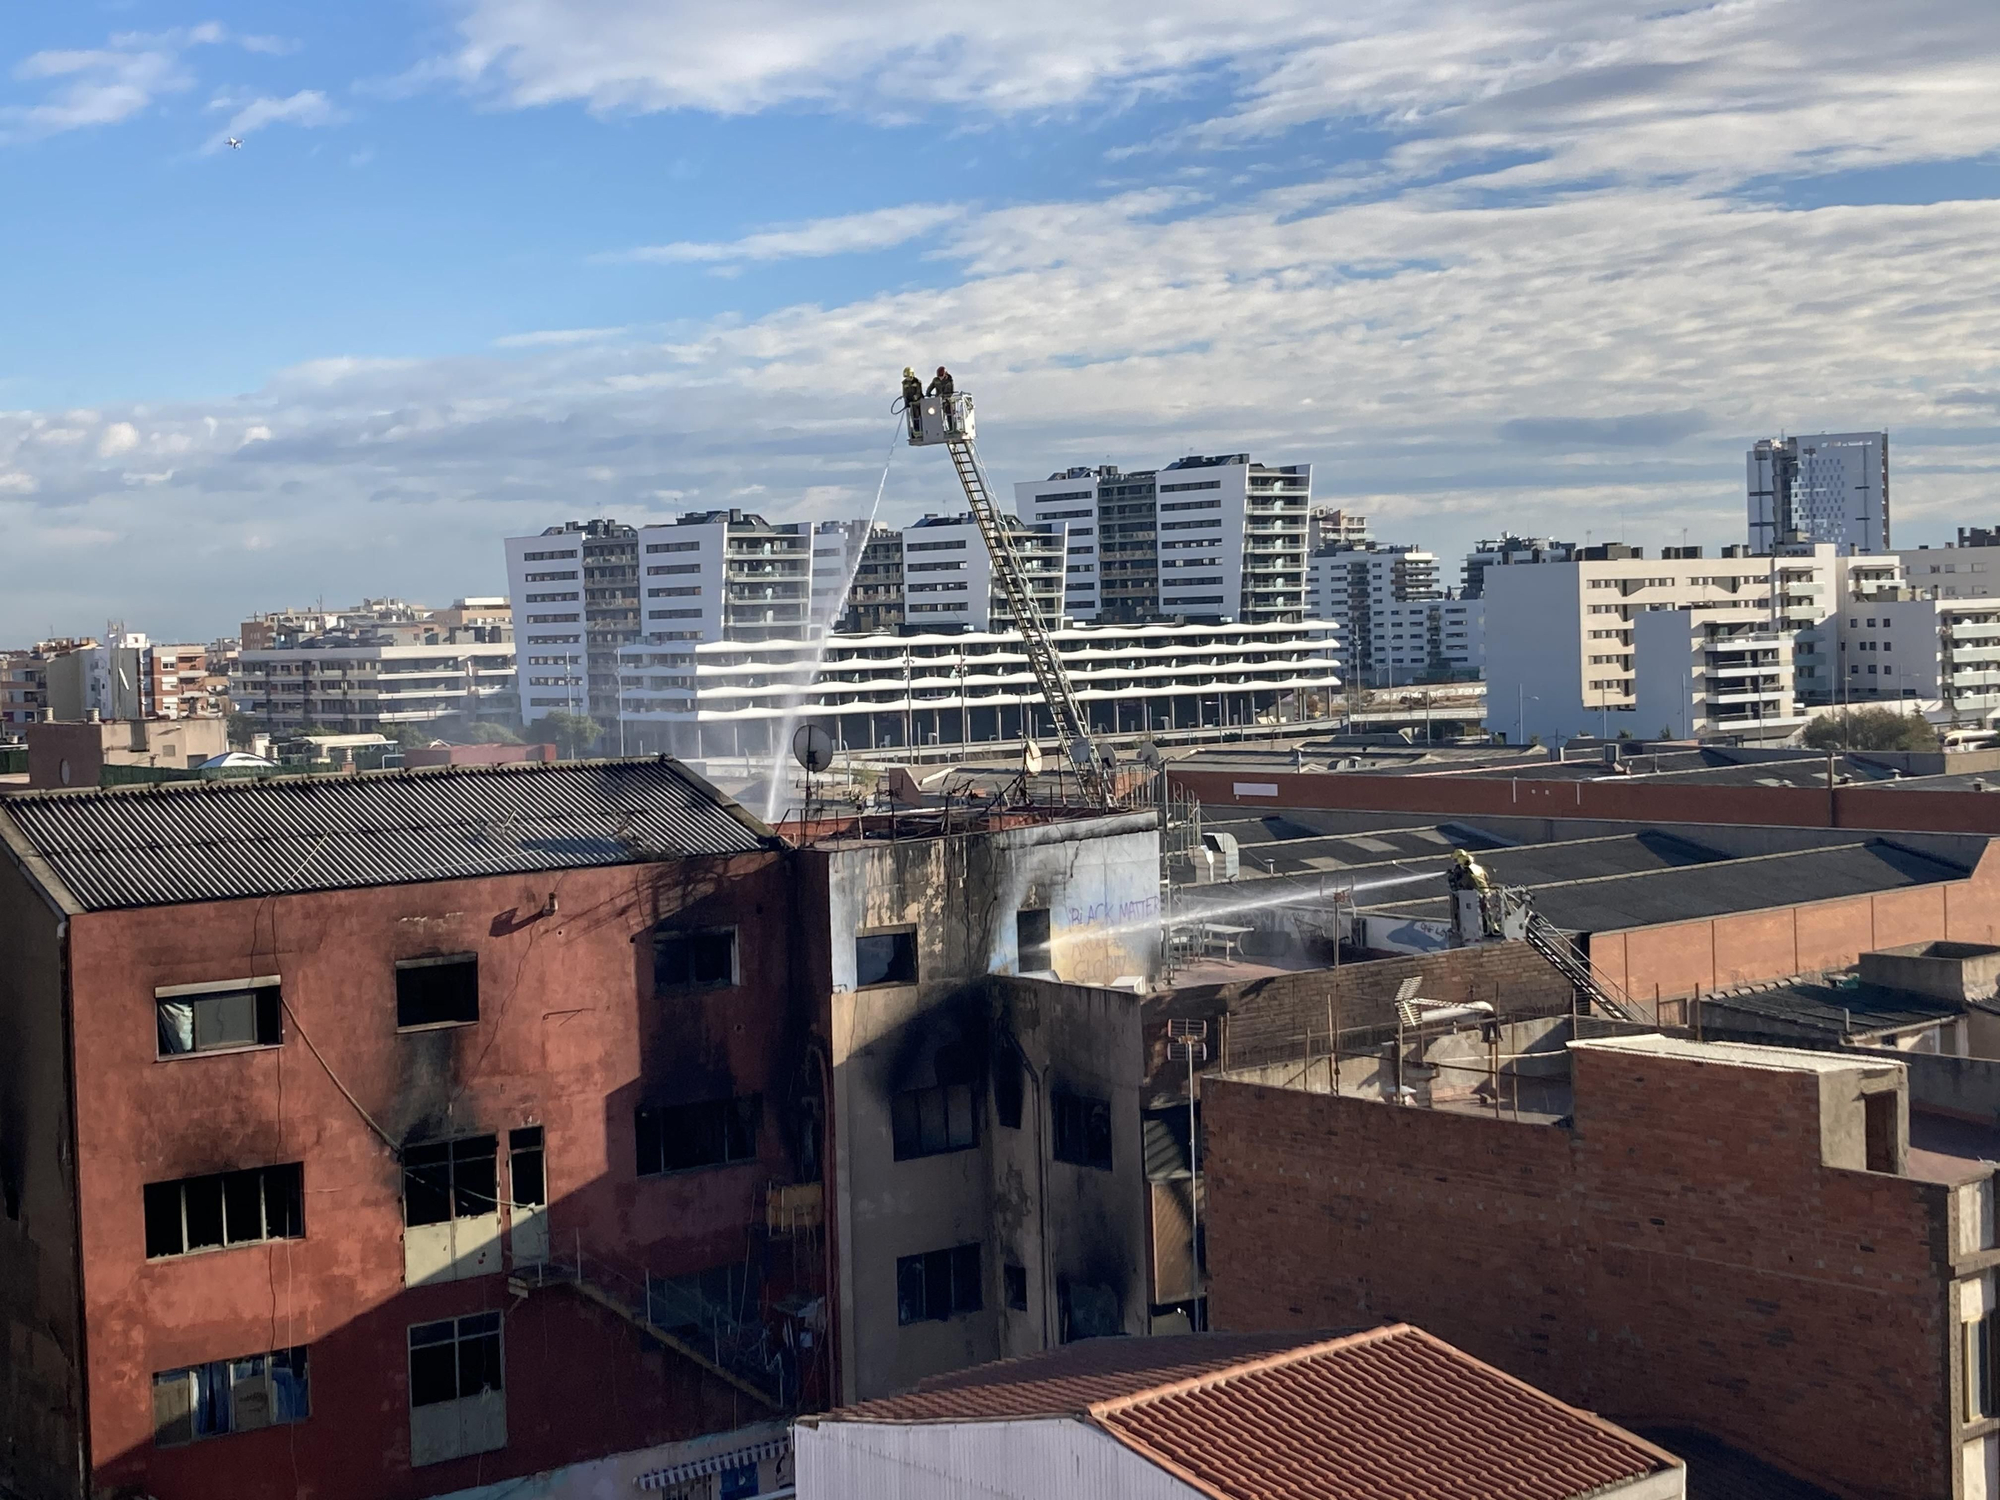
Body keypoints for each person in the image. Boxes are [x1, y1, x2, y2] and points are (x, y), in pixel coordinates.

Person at [900, 367, 923, 438]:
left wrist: (915, 398)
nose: (907, 379)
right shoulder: (904, 383)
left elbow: (919, 392)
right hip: (911, 404)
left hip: (918, 402)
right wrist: (906, 401)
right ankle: (916, 431)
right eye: (906, 377)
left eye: (908, 377)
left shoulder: (917, 382)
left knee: (920, 416)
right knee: (913, 417)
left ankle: (922, 430)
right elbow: (904, 393)